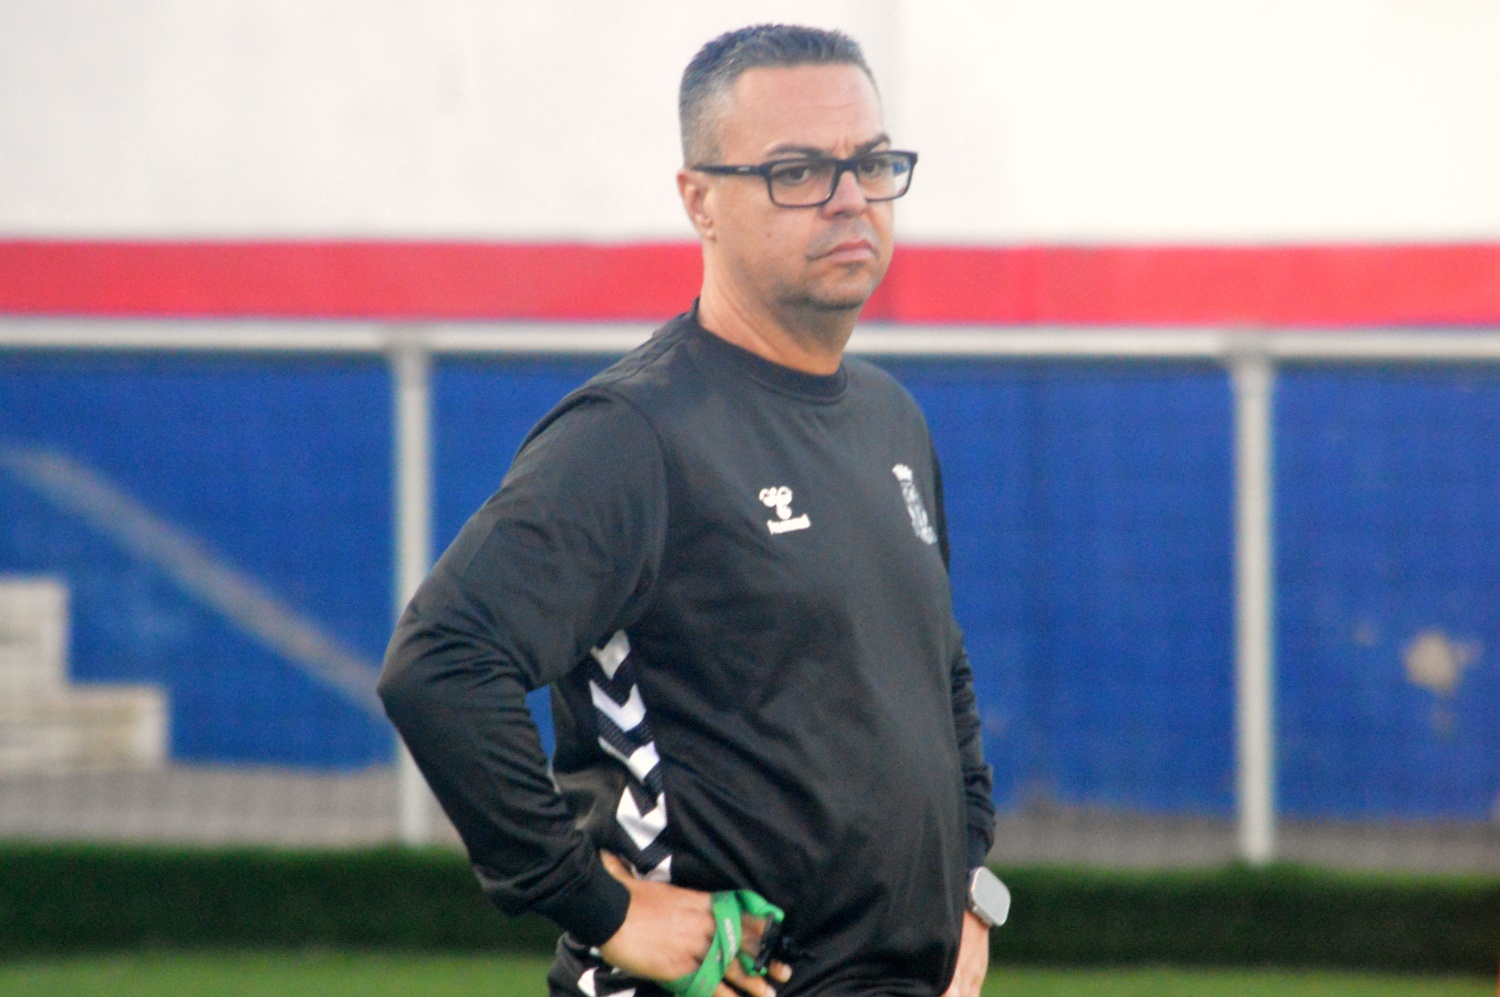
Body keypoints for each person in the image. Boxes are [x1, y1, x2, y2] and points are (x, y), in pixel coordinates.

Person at [379, 23, 998, 997]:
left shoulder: (889, 417)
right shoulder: (636, 435)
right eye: (797, 171)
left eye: (871, 163)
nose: (848, 198)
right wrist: (603, 905)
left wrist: (969, 887)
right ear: (698, 199)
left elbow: (936, 671)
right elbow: (442, 662)